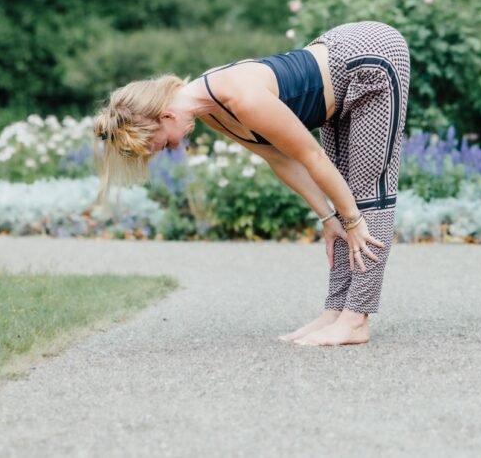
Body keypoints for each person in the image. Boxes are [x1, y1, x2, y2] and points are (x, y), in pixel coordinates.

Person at [93, 21, 410, 347]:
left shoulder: (239, 97)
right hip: (341, 74)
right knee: (344, 198)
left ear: (166, 117)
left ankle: (356, 319)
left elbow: (312, 157)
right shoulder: (213, 111)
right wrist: (329, 218)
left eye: (161, 145)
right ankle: (336, 311)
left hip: (371, 59)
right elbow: (281, 159)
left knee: (368, 196)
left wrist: (353, 220)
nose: (170, 150)